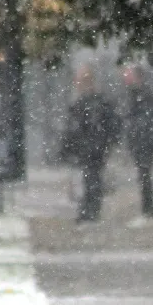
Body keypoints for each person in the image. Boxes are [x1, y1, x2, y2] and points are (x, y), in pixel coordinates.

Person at [61, 66, 120, 223]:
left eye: (80, 81)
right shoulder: (90, 101)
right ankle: (89, 210)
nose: (78, 84)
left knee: (91, 179)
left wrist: (96, 144)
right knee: (90, 179)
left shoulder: (93, 102)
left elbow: (87, 127)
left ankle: (90, 211)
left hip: (92, 149)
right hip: (91, 148)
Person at [122, 66, 153, 223]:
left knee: (144, 176)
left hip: (144, 143)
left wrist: (142, 139)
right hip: (141, 142)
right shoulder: (136, 95)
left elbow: (147, 122)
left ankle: (148, 211)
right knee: (144, 176)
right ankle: (147, 210)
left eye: (130, 76)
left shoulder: (143, 96)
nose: (127, 79)